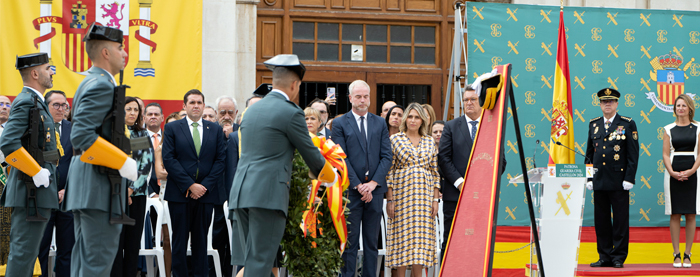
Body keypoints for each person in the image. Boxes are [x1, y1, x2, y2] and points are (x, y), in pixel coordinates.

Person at [229, 54, 336, 277]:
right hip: (267, 195)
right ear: (295, 84)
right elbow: (311, 154)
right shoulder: (291, 112)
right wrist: (331, 175)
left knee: (253, 260)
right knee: (260, 262)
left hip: (241, 192)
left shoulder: (250, 111)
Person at [64, 24, 138, 276]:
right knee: (96, 265)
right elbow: (82, 135)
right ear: (105, 52)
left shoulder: (92, 81)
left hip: (88, 186)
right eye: (120, 47)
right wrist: (122, 162)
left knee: (85, 265)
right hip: (97, 186)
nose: (124, 53)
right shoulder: (102, 85)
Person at [0, 52, 59, 277]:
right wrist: (35, 171)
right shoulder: (26, 101)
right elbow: (8, 143)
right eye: (47, 68)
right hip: (29, 190)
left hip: (37, 191)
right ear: (35, 73)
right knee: (23, 253)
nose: (51, 72)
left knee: (27, 252)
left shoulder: (36, 102)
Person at [162, 89, 227, 276]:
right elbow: (169, 159)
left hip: (206, 195)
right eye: (192, 102)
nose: (196, 106)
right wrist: (190, 185)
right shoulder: (173, 128)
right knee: (179, 242)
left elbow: (220, 160)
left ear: (204, 105)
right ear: (184, 106)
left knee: (201, 242)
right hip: (180, 194)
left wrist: (203, 186)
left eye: (199, 102)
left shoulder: (214, 129)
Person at [333, 80, 393, 277]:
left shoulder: (379, 122)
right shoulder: (340, 123)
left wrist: (373, 184)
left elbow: (386, 156)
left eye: (365, 96)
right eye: (358, 96)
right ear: (350, 98)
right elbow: (341, 157)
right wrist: (359, 185)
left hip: (374, 192)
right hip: (351, 191)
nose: (362, 100)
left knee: (371, 243)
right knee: (349, 243)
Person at [585, 88, 639, 269]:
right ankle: (604, 256)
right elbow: (589, 154)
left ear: (617, 103)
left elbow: (633, 154)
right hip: (599, 180)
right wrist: (589, 178)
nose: (607, 104)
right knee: (601, 221)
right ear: (599, 104)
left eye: (611, 101)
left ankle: (618, 257)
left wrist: (629, 178)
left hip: (619, 180)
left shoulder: (627, 124)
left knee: (620, 221)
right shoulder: (594, 124)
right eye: (604, 101)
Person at [385, 103, 440, 277]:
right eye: (410, 116)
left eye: (417, 117)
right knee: (402, 243)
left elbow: (435, 172)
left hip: (424, 199)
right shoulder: (395, 140)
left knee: (420, 243)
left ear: (422, 120)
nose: (413, 120)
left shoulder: (429, 141)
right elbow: (389, 172)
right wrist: (390, 200)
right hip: (402, 198)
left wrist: (435, 200)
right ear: (405, 119)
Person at [110, 97, 153, 276]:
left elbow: (146, 165)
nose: (133, 113)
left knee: (132, 242)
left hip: (136, 196)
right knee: (116, 243)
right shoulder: (112, 134)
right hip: (114, 195)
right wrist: (121, 189)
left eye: (136, 110)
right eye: (128, 109)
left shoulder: (141, 135)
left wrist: (131, 189)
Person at [438, 86, 481, 262]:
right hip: (455, 195)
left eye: (473, 99)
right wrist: (460, 183)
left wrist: (486, 182)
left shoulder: (491, 127)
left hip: (481, 196)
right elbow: (444, 159)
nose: (469, 103)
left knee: (478, 241)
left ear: (481, 102)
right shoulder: (451, 126)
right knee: (451, 240)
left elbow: (500, 161)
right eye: (466, 100)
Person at [38, 90, 75, 277]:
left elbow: (79, 163)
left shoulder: (74, 129)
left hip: (67, 199)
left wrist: (66, 189)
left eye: (64, 105)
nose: (61, 109)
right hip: (43, 197)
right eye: (56, 105)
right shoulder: (37, 128)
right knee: (40, 248)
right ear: (46, 106)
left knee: (67, 249)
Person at [662, 94, 699, 268]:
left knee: (691, 214)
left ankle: (687, 254)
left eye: (684, 105)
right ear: (674, 109)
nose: (681, 108)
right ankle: (676, 254)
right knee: (675, 214)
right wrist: (672, 172)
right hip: (673, 173)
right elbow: (665, 154)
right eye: (678, 106)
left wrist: (692, 171)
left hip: (694, 172)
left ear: (690, 108)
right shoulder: (668, 129)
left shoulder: (698, 128)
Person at [210, 95, 239, 277]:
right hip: (215, 196)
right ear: (216, 113)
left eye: (230, 112)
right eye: (222, 112)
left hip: (237, 196)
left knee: (236, 244)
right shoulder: (211, 132)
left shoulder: (242, 133)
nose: (226, 116)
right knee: (216, 241)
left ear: (236, 114)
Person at [144, 102, 172, 276]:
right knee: (146, 242)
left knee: (168, 240)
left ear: (162, 118)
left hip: (169, 195)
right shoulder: (138, 138)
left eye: (157, 114)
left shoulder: (170, 137)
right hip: (147, 197)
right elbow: (137, 170)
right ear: (144, 118)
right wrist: (151, 194)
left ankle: (166, 274)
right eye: (150, 114)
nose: (153, 117)